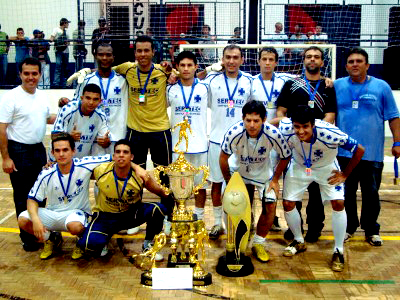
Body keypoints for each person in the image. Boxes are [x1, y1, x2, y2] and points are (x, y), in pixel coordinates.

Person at [279, 106, 365, 272]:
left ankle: (338, 250)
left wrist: (345, 174)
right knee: (288, 203)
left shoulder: (330, 132)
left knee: (339, 203)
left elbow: (359, 149)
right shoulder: (285, 128)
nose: (300, 131)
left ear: (313, 125)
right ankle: (298, 240)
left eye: (305, 126)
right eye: (297, 126)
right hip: (299, 166)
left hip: (327, 168)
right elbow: (275, 126)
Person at [334, 47, 400, 246]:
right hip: (344, 153)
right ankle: (349, 227)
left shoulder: (382, 87)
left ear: (367, 65)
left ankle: (371, 230)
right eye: (351, 61)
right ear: (346, 66)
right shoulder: (336, 85)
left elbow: (393, 116)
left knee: (371, 193)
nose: (355, 64)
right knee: (347, 192)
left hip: (372, 153)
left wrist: (397, 142)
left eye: (359, 61)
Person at [17, 134, 112, 259]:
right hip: (53, 213)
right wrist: (36, 221)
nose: (61, 154)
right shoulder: (46, 172)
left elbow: (117, 157)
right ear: (52, 153)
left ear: (73, 151)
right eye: (57, 150)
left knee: (75, 226)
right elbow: (32, 200)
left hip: (76, 214)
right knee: (23, 219)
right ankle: (51, 239)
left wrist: (137, 168)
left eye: (65, 150)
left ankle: (82, 242)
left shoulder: (84, 164)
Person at [276, 46, 337, 242]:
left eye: (316, 57)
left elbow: (330, 115)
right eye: (309, 56)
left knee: (316, 191)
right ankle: (296, 228)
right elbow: (281, 112)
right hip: (296, 146)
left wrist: (315, 134)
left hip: (319, 147)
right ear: (304, 60)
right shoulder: (292, 84)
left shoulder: (328, 87)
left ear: (322, 62)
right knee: (293, 189)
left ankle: (315, 227)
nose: (312, 60)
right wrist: (294, 132)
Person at [220, 100, 291, 262]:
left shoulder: (273, 133)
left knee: (271, 203)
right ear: (243, 118)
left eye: (256, 121)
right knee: (231, 204)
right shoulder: (234, 132)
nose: (252, 125)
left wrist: (275, 179)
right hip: (238, 173)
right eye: (248, 120)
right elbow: (223, 158)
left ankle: (258, 243)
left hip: (263, 175)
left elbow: (286, 156)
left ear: (264, 119)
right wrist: (228, 181)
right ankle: (233, 240)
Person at [75, 140, 168, 260]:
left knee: (158, 210)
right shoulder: (100, 170)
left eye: (125, 152)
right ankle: (103, 240)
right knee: (88, 245)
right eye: (118, 152)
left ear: (131, 156)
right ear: (113, 156)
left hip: (129, 214)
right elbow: (76, 169)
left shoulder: (140, 175)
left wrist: (172, 196)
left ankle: (148, 245)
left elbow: (159, 191)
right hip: (105, 216)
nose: (121, 155)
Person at [0, 57, 56, 251]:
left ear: (40, 74)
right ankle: (28, 237)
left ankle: (41, 232)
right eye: (27, 73)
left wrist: (70, 111)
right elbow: (2, 129)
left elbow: (47, 118)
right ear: (20, 74)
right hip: (19, 151)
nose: (31, 77)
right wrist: (6, 158)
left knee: (41, 194)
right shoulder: (11, 97)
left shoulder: (41, 95)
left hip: (39, 149)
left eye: (34, 73)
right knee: (23, 197)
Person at [203, 44, 253, 239]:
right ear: (222, 60)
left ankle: (245, 221)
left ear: (242, 60)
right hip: (217, 141)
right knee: (216, 183)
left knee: (246, 185)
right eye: (227, 57)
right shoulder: (211, 80)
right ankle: (217, 223)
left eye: (235, 57)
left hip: (243, 143)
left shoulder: (250, 81)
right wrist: (207, 69)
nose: (231, 61)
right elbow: (191, 80)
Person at [250, 47, 294, 230]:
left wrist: (328, 81)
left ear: (276, 62)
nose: (267, 63)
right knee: (253, 179)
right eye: (264, 59)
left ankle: (272, 216)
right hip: (255, 137)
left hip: (276, 139)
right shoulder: (250, 82)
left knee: (272, 179)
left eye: (271, 59)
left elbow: (308, 81)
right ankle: (250, 216)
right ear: (258, 61)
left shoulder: (286, 81)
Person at [167, 51, 209, 221]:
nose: (186, 69)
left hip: (200, 146)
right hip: (178, 148)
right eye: (182, 65)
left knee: (200, 185)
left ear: (195, 67)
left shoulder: (205, 88)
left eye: (189, 65)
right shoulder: (170, 89)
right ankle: (179, 216)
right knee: (178, 186)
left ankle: (198, 217)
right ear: (177, 67)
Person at [52, 83, 109, 159]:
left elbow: (106, 143)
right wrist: (69, 137)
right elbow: (54, 136)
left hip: (82, 162)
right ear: (82, 98)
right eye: (88, 98)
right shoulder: (68, 109)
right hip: (60, 159)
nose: (91, 102)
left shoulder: (101, 116)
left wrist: (106, 142)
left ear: (100, 101)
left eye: (95, 99)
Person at [50, 18, 71, 88]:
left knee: (66, 67)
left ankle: (65, 84)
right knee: (58, 66)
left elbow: (68, 42)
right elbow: (51, 38)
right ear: (64, 23)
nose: (68, 24)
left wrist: (65, 43)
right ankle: (56, 83)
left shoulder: (67, 32)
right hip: (58, 51)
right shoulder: (56, 29)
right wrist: (55, 40)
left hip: (66, 51)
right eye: (67, 23)